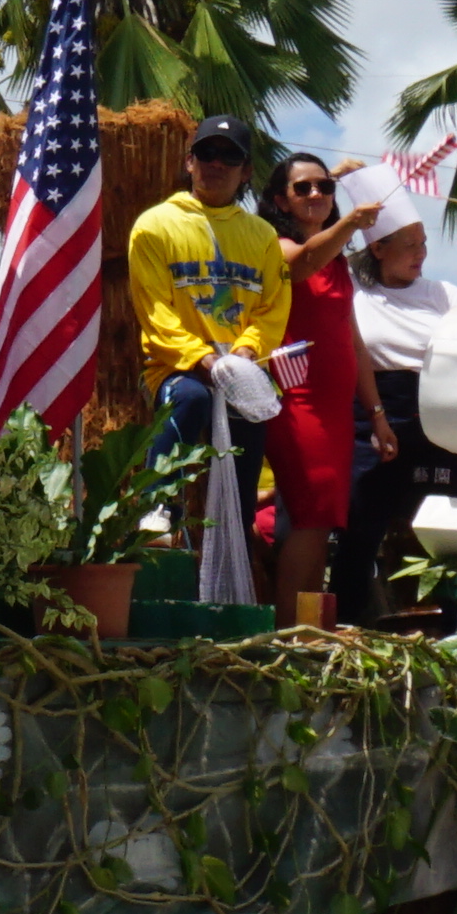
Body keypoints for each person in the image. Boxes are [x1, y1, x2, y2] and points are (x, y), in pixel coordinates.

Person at [126, 122, 292, 590]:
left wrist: (243, 353)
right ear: (189, 162)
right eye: (206, 153)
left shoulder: (261, 235)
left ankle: (234, 556)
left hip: (240, 370)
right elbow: (155, 314)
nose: (215, 164)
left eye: (229, 157)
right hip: (177, 368)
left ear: (246, 172)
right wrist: (205, 360)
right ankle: (158, 508)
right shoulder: (155, 225)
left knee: (247, 439)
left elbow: (273, 308)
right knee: (193, 400)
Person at [337, 200, 457, 623]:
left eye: (424, 243)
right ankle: (349, 619)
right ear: (379, 248)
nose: (420, 253)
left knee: (445, 520)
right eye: (409, 244)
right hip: (373, 409)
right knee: (360, 522)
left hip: (434, 412)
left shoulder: (441, 293)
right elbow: (323, 249)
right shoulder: (351, 286)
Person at [256, 149, 378, 625]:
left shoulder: (341, 261)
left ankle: (308, 627)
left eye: (324, 187)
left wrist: (377, 414)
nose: (315, 194)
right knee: (307, 516)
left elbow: (354, 342)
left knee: (322, 519)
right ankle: (291, 630)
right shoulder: (274, 243)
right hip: (296, 397)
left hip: (336, 407)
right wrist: (350, 223)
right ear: (280, 201)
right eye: (302, 188)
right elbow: (303, 262)